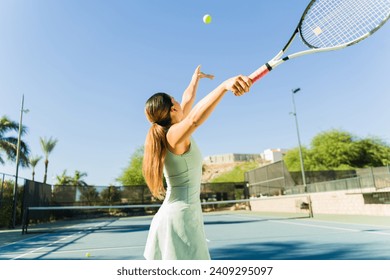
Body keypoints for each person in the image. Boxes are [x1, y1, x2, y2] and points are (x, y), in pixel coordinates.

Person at [142, 65, 252, 260]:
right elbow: (193, 119)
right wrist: (223, 86)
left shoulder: (172, 129)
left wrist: (195, 80)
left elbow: (187, 99)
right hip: (180, 219)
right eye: (175, 100)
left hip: (178, 215)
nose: (180, 100)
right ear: (173, 109)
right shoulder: (173, 135)